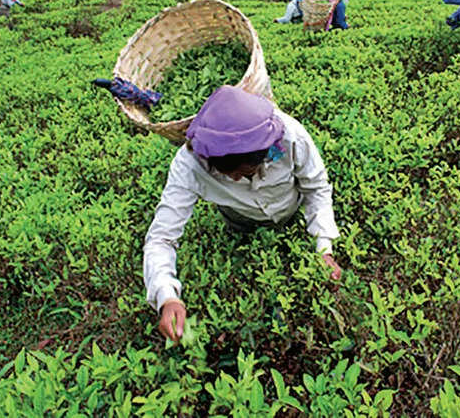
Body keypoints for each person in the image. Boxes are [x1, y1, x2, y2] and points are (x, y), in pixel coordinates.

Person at [143, 85, 343, 343]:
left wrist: (324, 248)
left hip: (293, 214)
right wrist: (166, 296)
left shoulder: (290, 136)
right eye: (228, 175)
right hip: (240, 225)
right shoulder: (189, 164)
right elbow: (161, 238)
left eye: (246, 172)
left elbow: (316, 188)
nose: (238, 179)